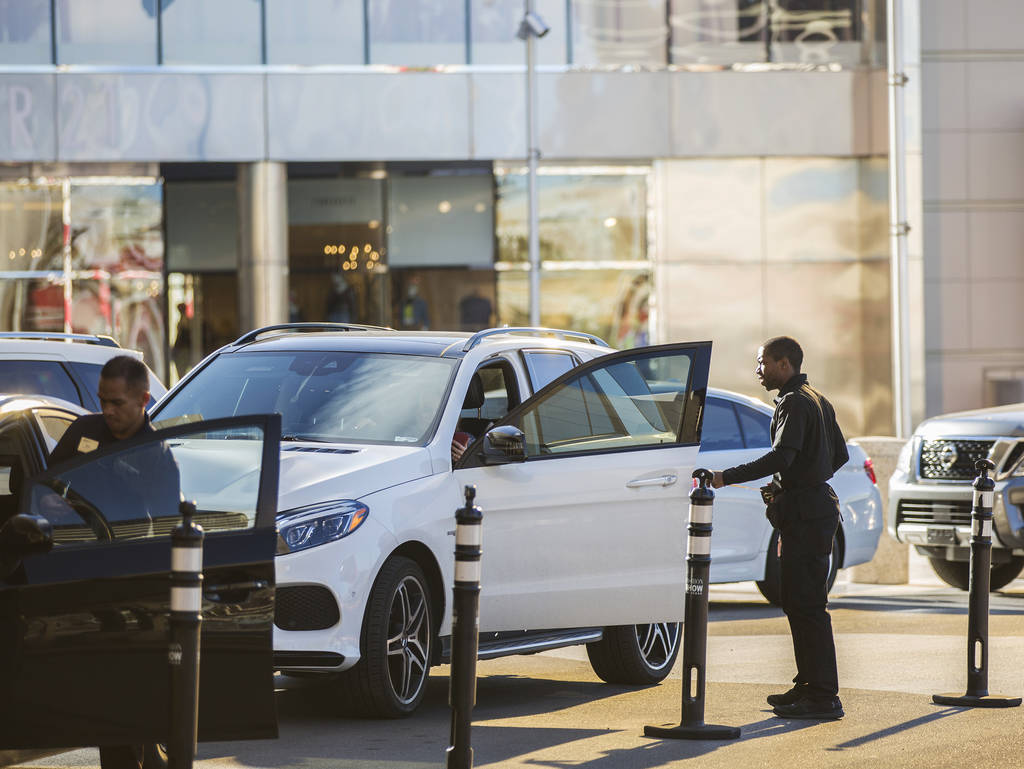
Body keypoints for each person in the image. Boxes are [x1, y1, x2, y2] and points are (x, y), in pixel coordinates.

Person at [711, 336, 848, 721]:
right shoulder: (817, 398)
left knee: (808, 607)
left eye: (763, 362)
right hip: (813, 510)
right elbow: (839, 455)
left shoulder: (794, 402)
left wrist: (725, 477)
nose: (758, 370)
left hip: (807, 514)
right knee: (800, 604)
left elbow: (781, 457)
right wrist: (800, 481)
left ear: (784, 364)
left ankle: (823, 696)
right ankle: (808, 685)